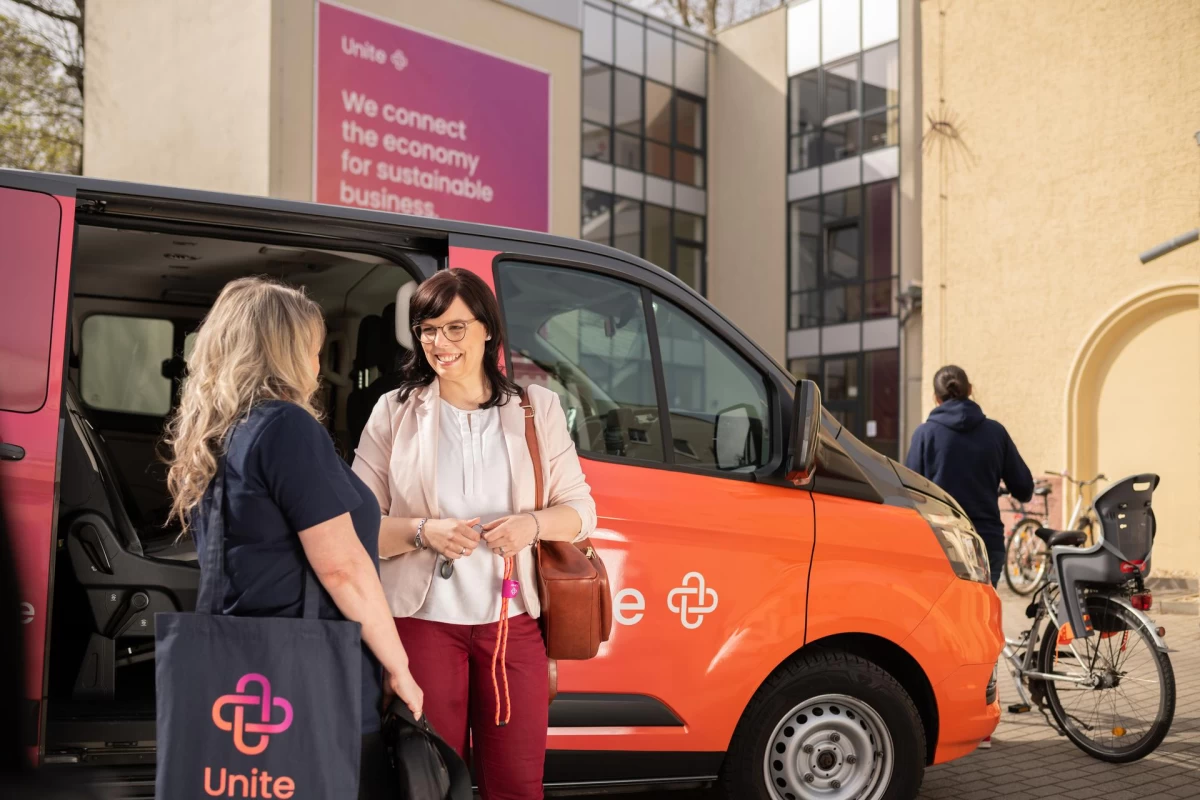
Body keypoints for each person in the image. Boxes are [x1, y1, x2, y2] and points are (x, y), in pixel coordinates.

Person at [161, 277, 423, 799]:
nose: (317, 365)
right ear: (285, 350)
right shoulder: (287, 427)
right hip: (307, 674)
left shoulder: (224, 431)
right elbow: (342, 566)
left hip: (242, 664)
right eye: (313, 349)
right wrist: (400, 666)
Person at [352, 269, 597, 800]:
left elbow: (581, 511)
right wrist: (423, 532)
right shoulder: (394, 412)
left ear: (488, 329)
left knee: (517, 784)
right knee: (431, 784)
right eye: (429, 329)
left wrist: (531, 525)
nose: (442, 343)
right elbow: (354, 528)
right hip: (422, 625)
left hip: (512, 628)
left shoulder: (536, 408)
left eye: (456, 328)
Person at [905, 365, 1034, 586]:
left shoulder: (925, 435)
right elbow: (1024, 488)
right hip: (985, 541)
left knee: (941, 617)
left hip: (940, 542)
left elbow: (908, 495)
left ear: (935, 397)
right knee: (981, 615)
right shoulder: (996, 433)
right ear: (970, 389)